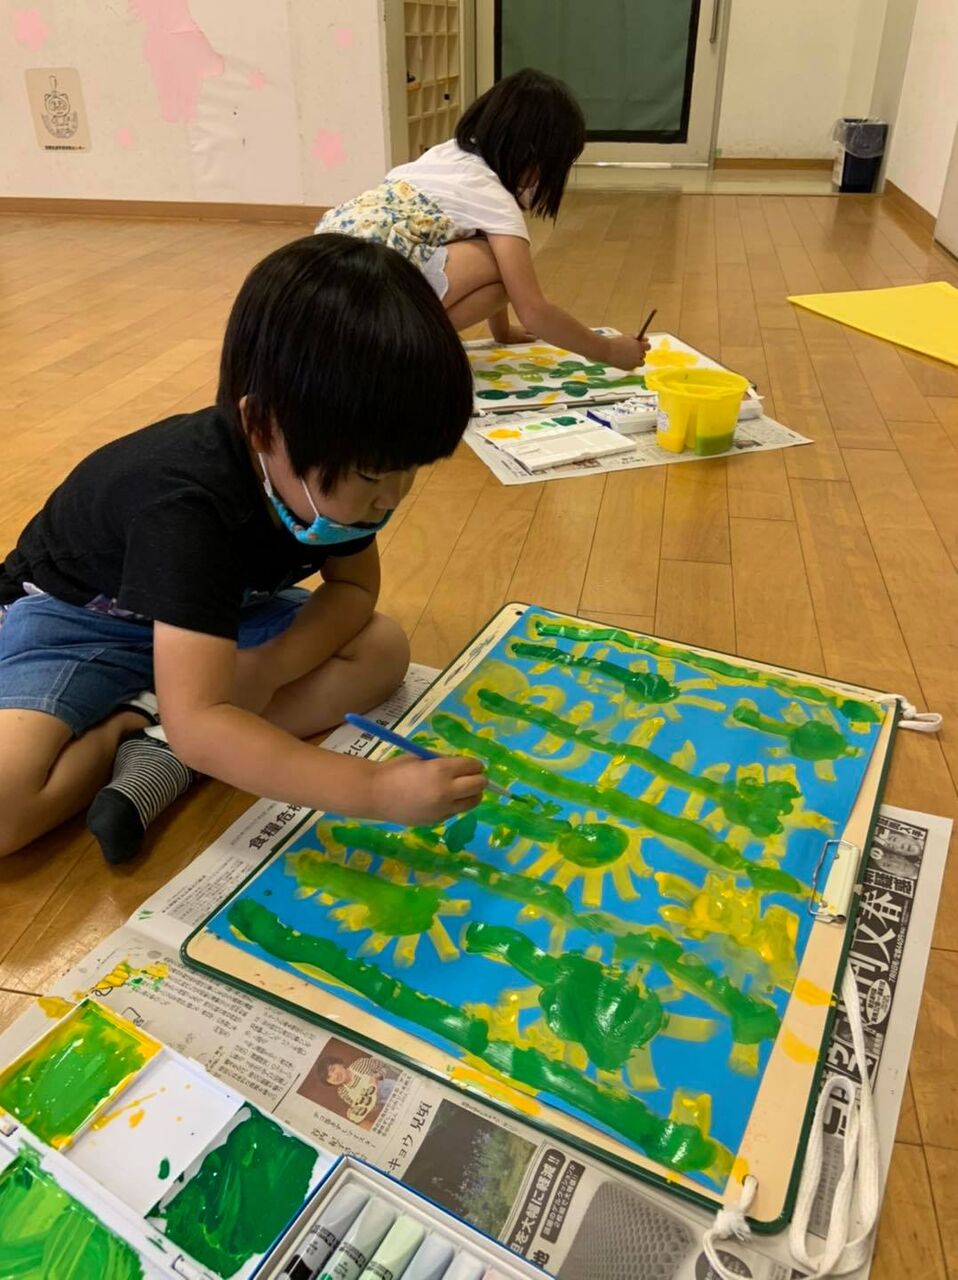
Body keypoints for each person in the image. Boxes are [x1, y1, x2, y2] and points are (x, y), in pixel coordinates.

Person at [0, 234, 486, 862]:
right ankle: (142, 726)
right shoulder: (184, 507)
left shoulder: (340, 477)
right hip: (81, 621)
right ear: (261, 426)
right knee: (7, 805)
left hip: (215, 621)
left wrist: (271, 665)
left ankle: (170, 743)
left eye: (409, 471)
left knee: (382, 649)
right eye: (372, 476)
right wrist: (374, 789)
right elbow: (211, 706)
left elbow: (354, 587)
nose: (389, 500)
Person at [317, 68, 650, 371]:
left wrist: (502, 332)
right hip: (369, 304)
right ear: (534, 157)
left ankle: (377, 347)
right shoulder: (494, 198)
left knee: (496, 263)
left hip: (320, 282)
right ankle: (393, 351)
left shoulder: (444, 154)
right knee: (508, 272)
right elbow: (533, 311)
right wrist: (608, 350)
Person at [324, 1054, 394, 1124]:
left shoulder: (360, 1063)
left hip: (391, 1089)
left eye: (333, 1069)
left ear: (340, 1064)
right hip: (384, 1107)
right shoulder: (342, 1092)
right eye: (329, 1077)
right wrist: (353, 1111)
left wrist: (377, 1076)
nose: (335, 1076)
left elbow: (385, 1067)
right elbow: (362, 1106)